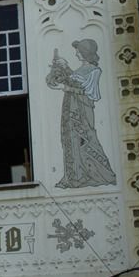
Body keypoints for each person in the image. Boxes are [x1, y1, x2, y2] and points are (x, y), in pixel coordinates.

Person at [46, 39, 116, 188]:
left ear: (85, 52)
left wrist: (65, 88)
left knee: (86, 139)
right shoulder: (79, 69)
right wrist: (64, 67)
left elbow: (88, 93)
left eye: (78, 51)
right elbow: (73, 80)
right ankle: (74, 176)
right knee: (70, 140)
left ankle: (98, 174)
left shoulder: (94, 71)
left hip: (82, 111)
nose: (76, 53)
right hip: (70, 108)